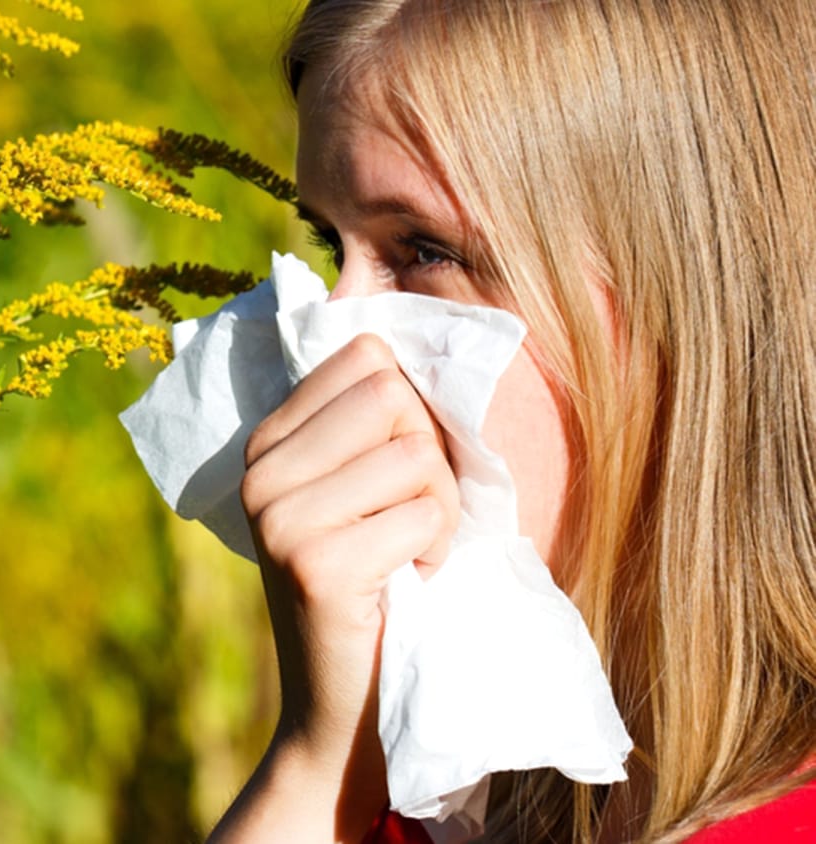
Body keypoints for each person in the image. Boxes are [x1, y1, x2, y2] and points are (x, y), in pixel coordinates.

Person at [209, 1, 816, 841]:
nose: (326, 347)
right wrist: (321, 760)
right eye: (328, 250)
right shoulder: (447, 791)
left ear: (679, 295)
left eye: (423, 250)